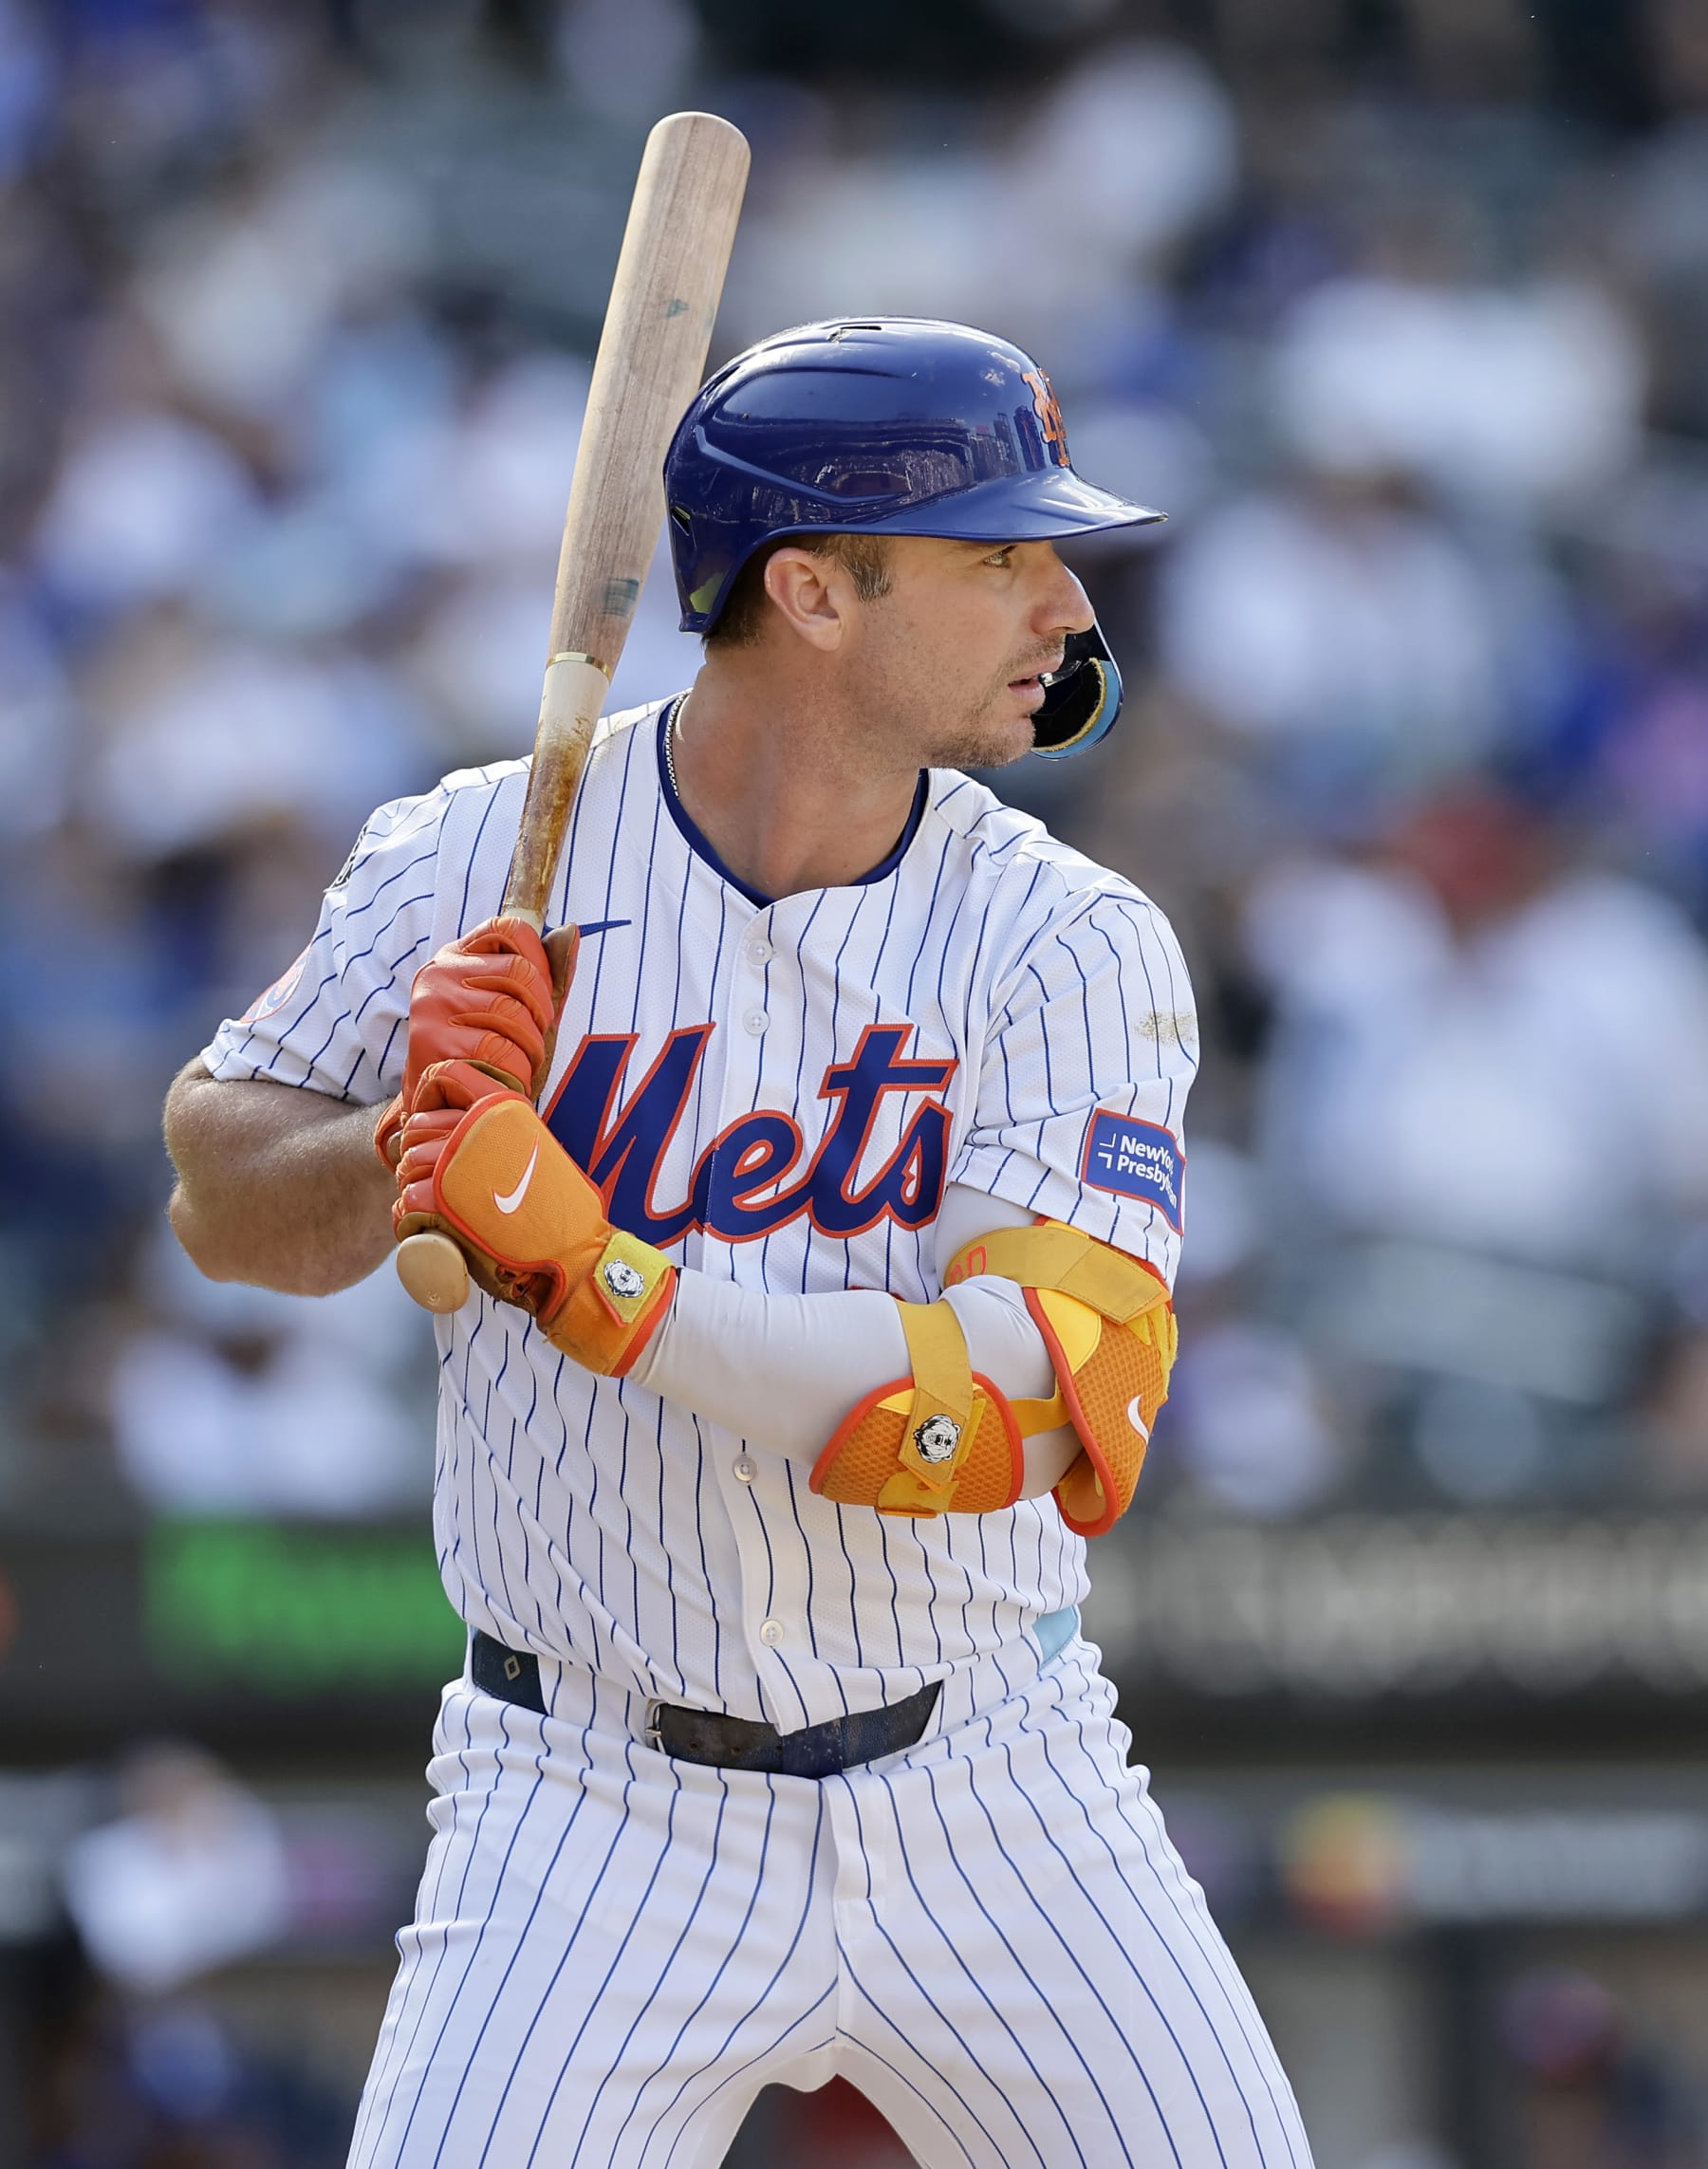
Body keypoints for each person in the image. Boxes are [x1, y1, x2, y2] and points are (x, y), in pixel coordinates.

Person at [164, 319, 1311, 2169]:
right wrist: (408, 1140)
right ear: (814, 592)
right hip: (585, 1801)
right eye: (1001, 555)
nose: (1066, 609)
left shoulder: (1068, 941)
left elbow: (1005, 1418)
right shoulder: (475, 858)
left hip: (993, 1782)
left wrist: (600, 1272)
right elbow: (220, 1204)